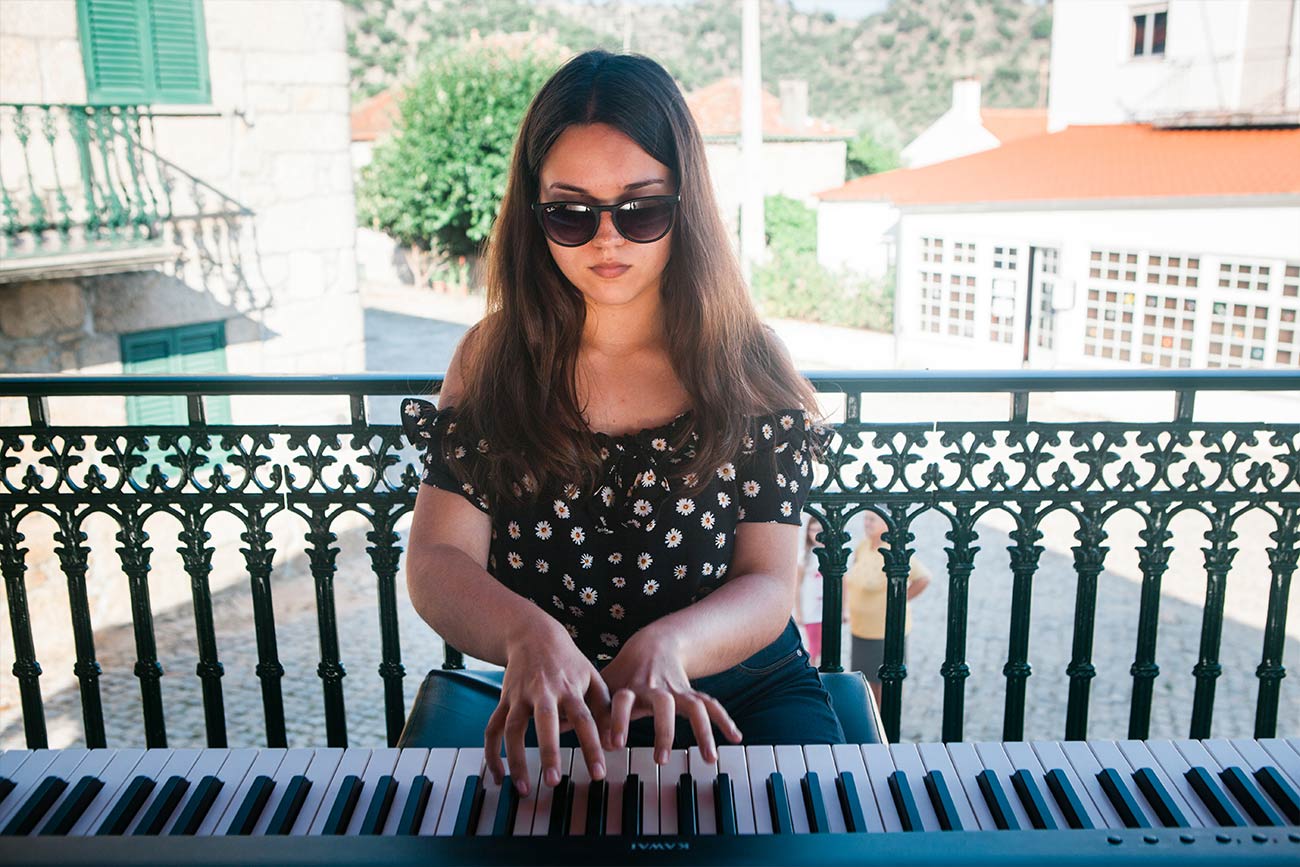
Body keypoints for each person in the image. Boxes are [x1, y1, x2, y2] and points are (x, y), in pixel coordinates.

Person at [400, 49, 844, 800]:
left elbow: (772, 581)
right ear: (534, 214)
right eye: (571, 212)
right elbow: (437, 558)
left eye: (640, 209)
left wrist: (669, 644)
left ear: (685, 204)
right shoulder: (493, 359)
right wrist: (527, 634)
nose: (607, 239)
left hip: (739, 691)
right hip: (551, 699)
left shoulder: (746, 361)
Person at [843, 510, 931, 707]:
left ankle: (884, 726)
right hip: (860, 630)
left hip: (884, 632)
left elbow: (923, 578)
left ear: (886, 523)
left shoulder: (894, 551)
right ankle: (872, 721)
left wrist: (900, 601)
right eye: (865, 518)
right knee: (865, 682)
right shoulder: (863, 546)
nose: (867, 523)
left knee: (884, 684)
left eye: (872, 519)